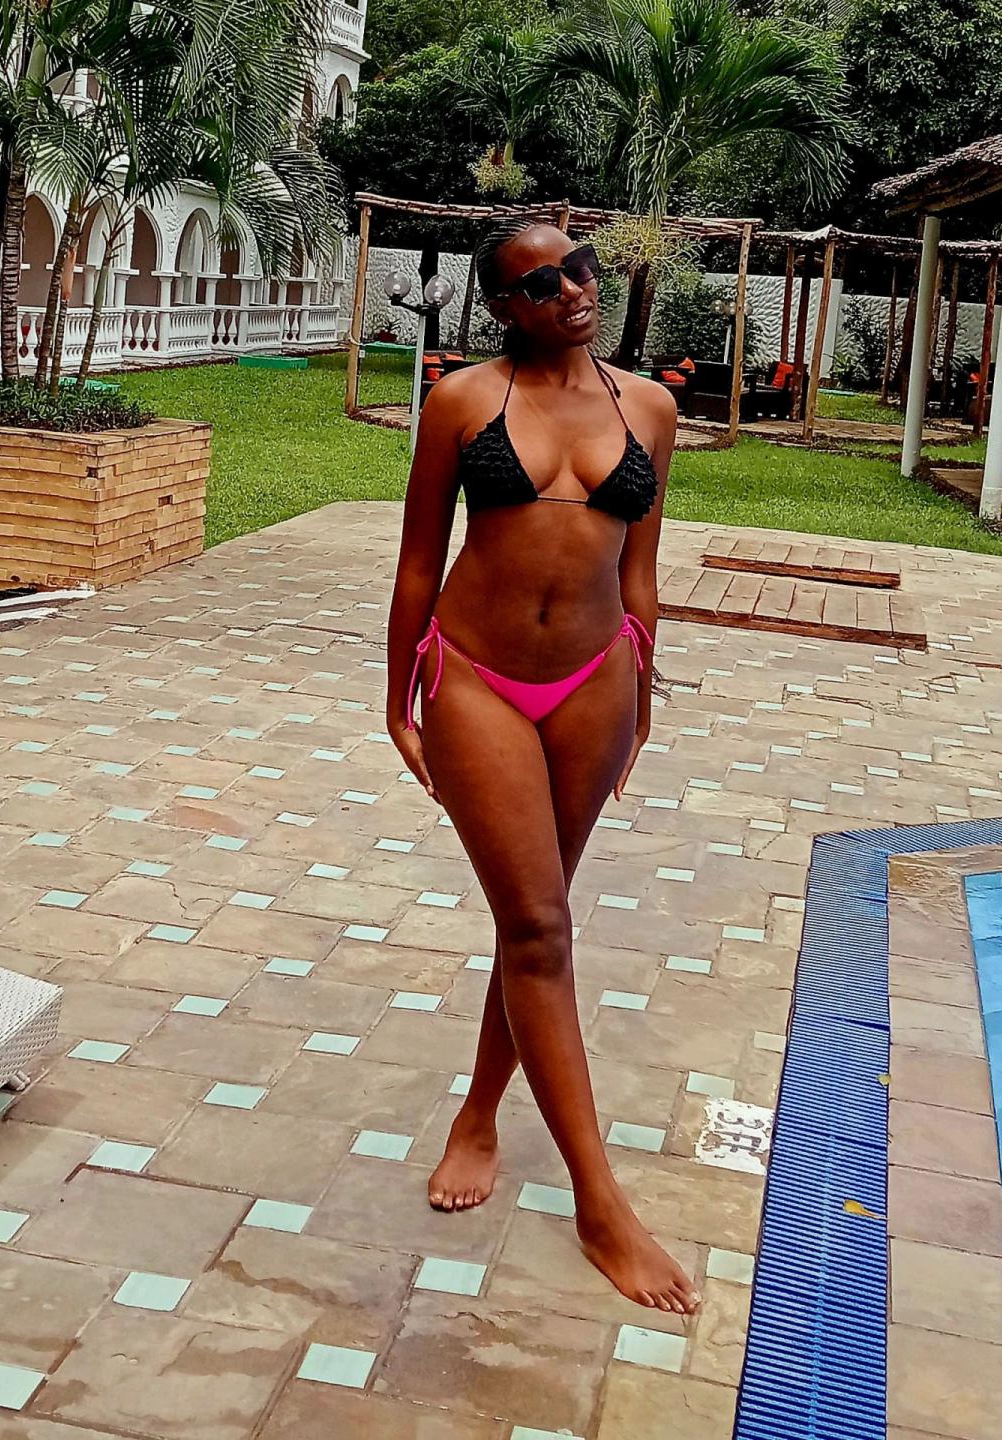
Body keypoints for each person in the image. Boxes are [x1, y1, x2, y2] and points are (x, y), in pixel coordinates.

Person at [385, 218, 697, 1314]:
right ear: (503, 307)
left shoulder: (649, 407)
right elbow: (419, 557)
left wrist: (645, 689)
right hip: (476, 678)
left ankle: (481, 1113)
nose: (571, 289)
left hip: (597, 682)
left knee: (538, 923)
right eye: (541, 282)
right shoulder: (462, 401)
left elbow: (642, 568)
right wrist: (396, 695)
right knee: (538, 926)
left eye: (581, 267)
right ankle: (599, 1203)